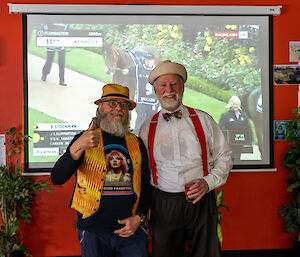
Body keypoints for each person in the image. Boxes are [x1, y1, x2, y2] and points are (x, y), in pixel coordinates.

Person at [139, 60, 233, 257]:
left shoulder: (203, 119)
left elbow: (224, 155)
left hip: (201, 201)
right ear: (156, 90)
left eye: (174, 84)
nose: (169, 90)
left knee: (205, 252)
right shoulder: (147, 127)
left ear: (182, 88)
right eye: (163, 85)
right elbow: (143, 170)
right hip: (163, 203)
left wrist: (208, 183)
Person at [51, 83, 151, 257]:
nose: (118, 108)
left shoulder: (136, 143)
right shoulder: (85, 138)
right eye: (112, 103)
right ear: (100, 107)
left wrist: (139, 218)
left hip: (131, 231)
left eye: (124, 104)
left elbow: (145, 185)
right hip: (93, 231)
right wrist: (77, 147)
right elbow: (57, 177)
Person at [219, 95, 253, 161]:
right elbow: (220, 128)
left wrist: (250, 140)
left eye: (237, 104)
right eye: (234, 104)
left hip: (239, 142)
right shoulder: (225, 115)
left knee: (238, 158)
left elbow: (248, 128)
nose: (235, 106)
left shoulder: (243, 115)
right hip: (229, 144)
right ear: (231, 104)